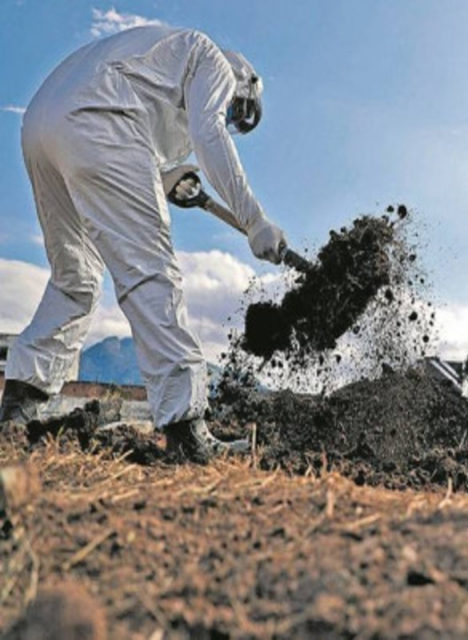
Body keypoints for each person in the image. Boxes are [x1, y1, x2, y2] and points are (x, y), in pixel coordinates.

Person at [0, 26, 286, 462]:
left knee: (74, 279)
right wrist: (255, 219)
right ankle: (186, 429)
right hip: (100, 118)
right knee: (152, 270)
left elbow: (147, 138)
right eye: (237, 114)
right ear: (241, 81)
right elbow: (210, 133)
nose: (231, 120)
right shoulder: (210, 58)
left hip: (42, 124)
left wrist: (169, 177)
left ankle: (18, 408)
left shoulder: (160, 61)